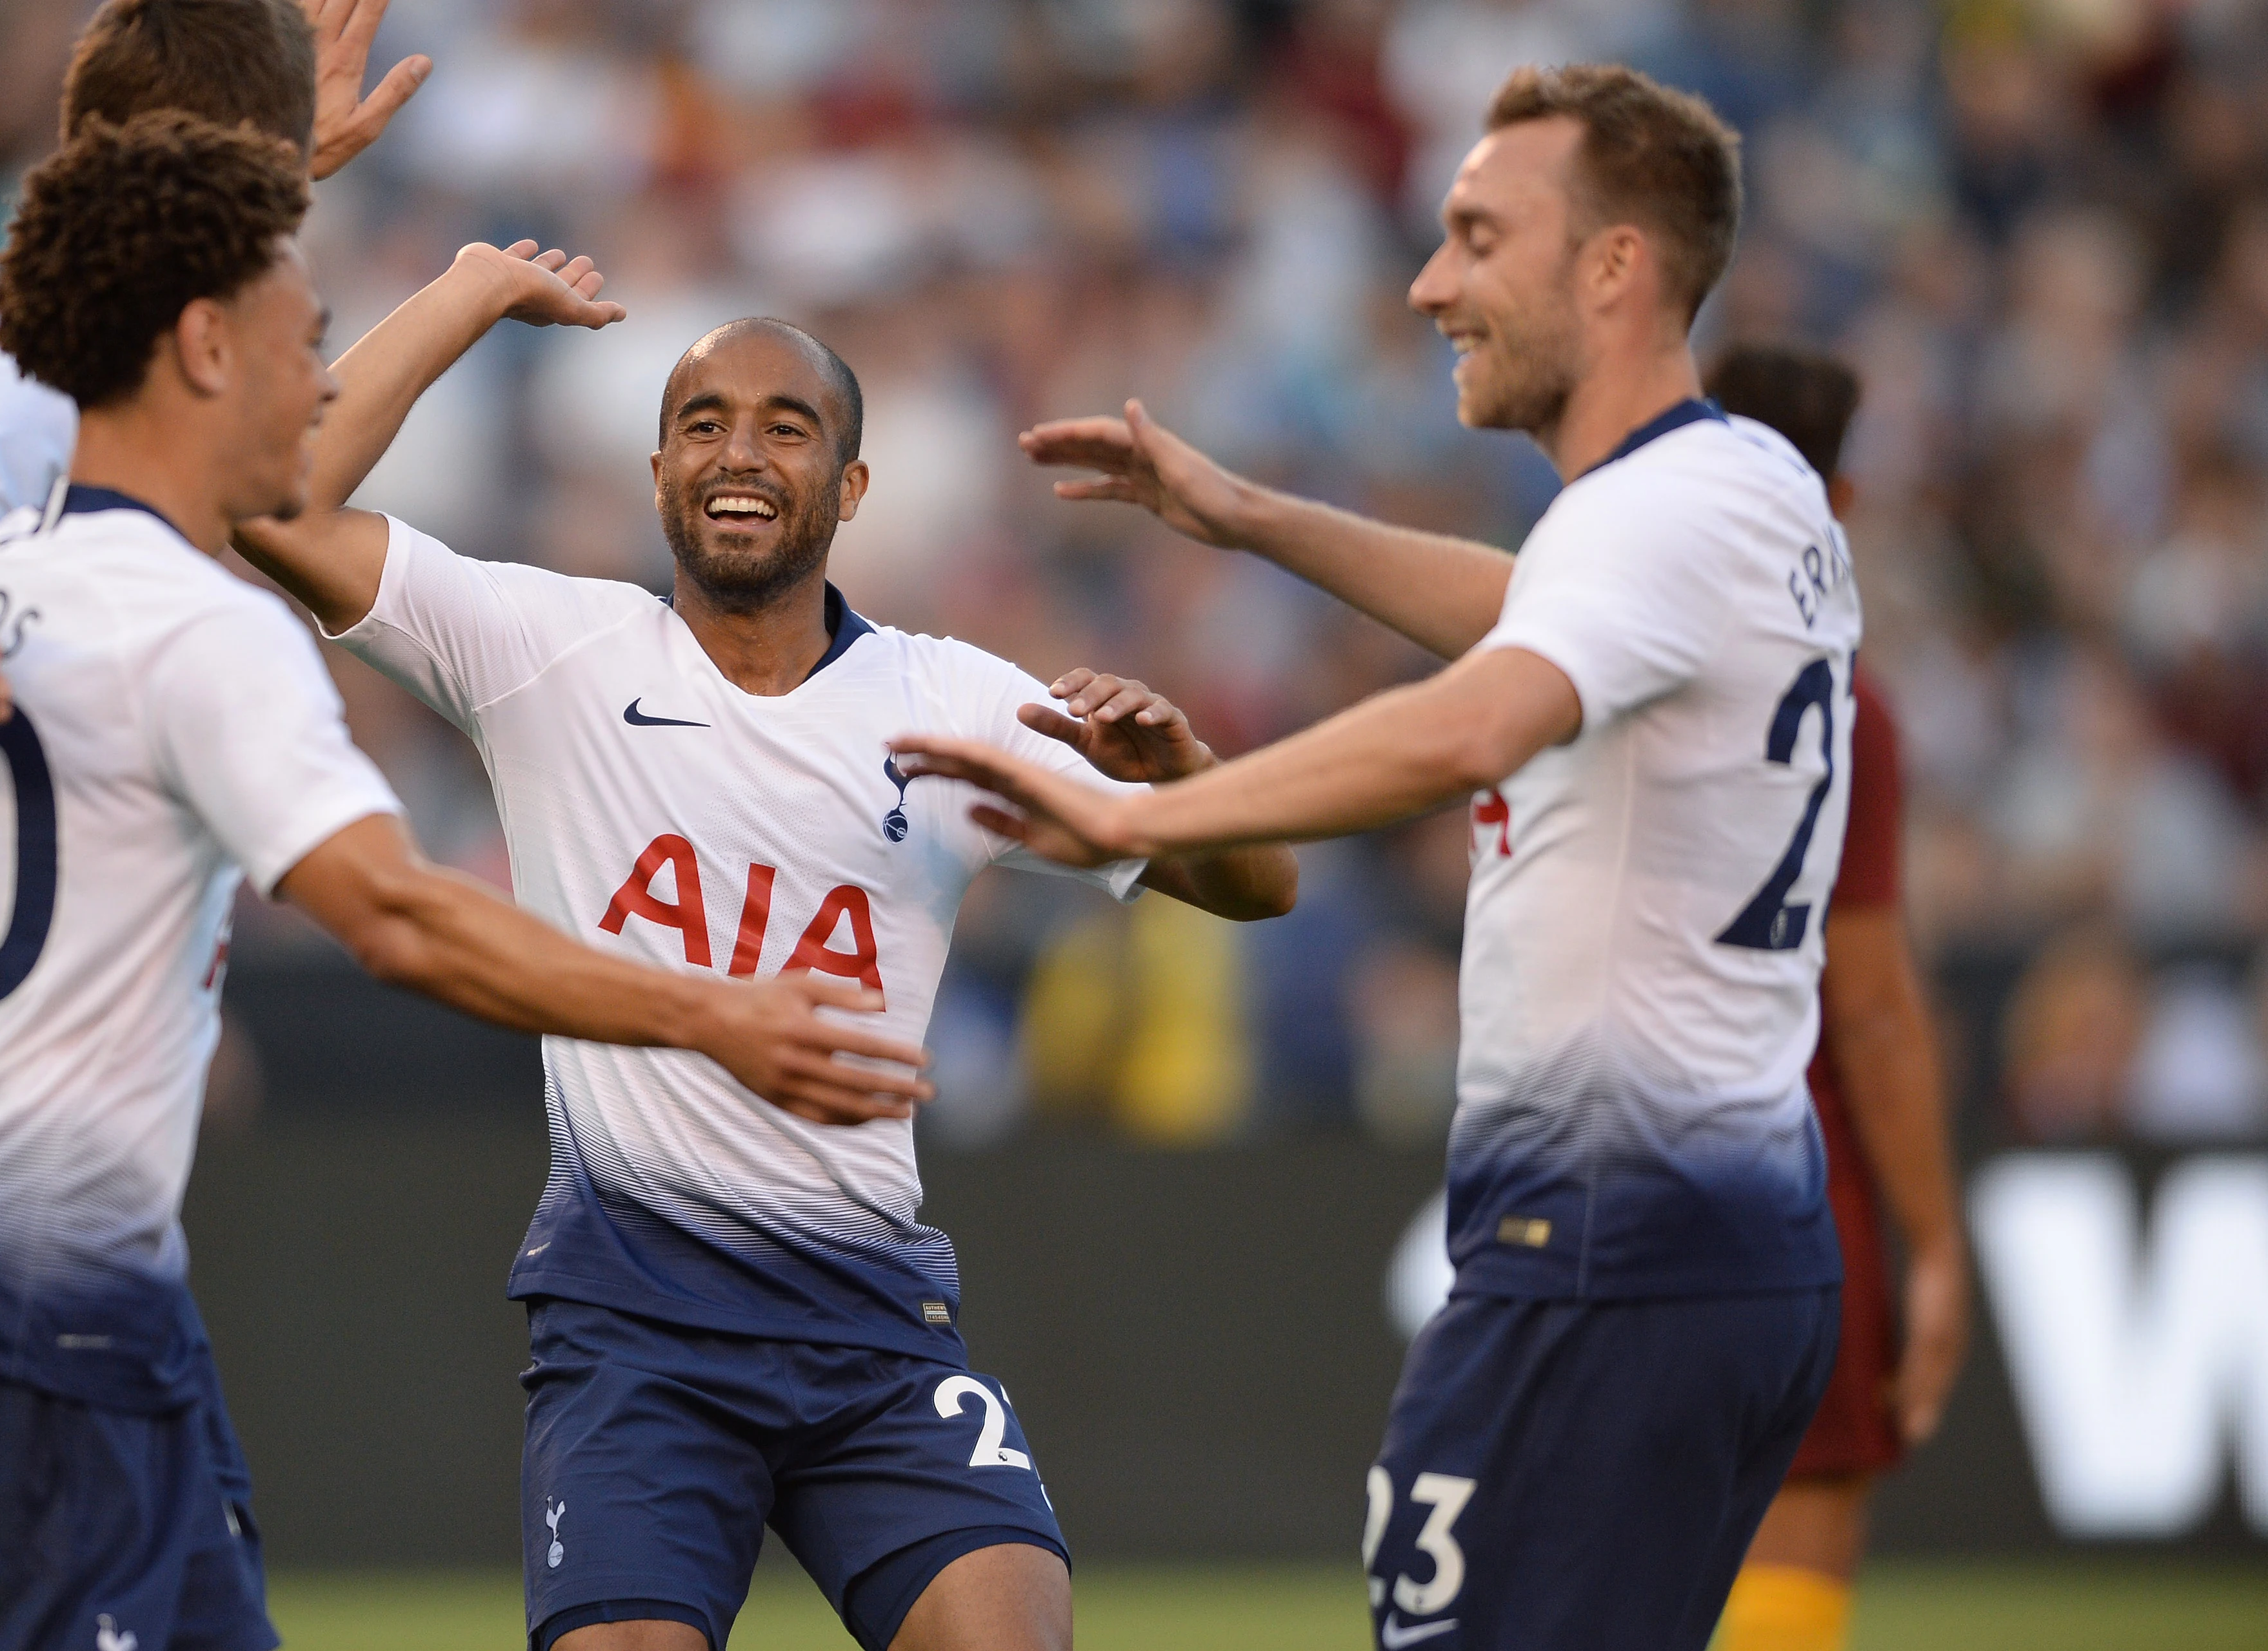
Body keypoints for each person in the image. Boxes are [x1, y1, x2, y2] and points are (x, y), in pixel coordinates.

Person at [0, 112, 929, 1651]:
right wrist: (708, 1014)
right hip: (33, 1305)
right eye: (309, 345)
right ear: (207, 349)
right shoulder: (199, 631)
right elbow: (395, 911)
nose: (321, 387)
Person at [893, 65, 1855, 1650]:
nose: (1431, 282)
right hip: (1735, 1239)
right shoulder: (1753, 485)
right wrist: (1251, 515)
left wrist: (1143, 817)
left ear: (1614, 264)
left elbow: (1478, 720)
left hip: (1604, 1250)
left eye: (1480, 235)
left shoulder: (1655, 518)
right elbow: (1536, 604)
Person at [229, 248, 1298, 1646]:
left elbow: (1258, 882)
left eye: (786, 426)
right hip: (636, 1338)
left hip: (870, 1327)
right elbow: (275, 503)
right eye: (703, 422)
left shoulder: (953, 701)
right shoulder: (551, 651)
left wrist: (1189, 771)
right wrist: (471, 293)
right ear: (659, 468)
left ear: (851, 489)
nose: (740, 451)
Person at [0, 6, 426, 1646]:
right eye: (260, 196)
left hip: (4, 1120)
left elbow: (277, 483)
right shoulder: (9, 378)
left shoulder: (91, 383)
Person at [1704, 345, 1969, 1651]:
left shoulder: (1581, 654)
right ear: (1841, 499)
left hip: (1596, 1162)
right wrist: (1938, 1247)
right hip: (1794, 1174)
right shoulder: (1842, 703)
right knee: (1795, 1561)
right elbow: (1868, 1003)